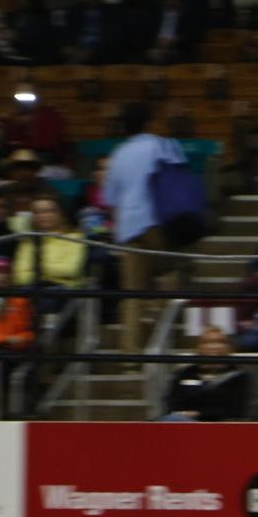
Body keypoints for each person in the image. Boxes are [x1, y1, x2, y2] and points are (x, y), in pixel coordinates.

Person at [103, 102, 190, 351]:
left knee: (133, 293)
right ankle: (166, 342)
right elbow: (181, 181)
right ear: (149, 123)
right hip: (157, 222)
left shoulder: (118, 153)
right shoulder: (163, 145)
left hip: (127, 228)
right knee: (170, 274)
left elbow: (110, 200)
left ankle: (131, 358)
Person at [161, 327, 248, 422]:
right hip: (184, 422)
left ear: (228, 348)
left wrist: (199, 413)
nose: (213, 346)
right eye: (207, 342)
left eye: (219, 342)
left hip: (221, 425)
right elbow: (172, 402)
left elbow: (237, 411)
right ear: (199, 348)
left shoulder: (238, 377)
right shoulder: (185, 373)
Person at [11, 197, 89, 289]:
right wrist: (50, 273)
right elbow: (18, 277)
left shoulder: (75, 238)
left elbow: (71, 270)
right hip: (31, 290)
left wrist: (35, 269)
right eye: (37, 212)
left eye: (48, 211)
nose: (43, 216)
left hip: (64, 291)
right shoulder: (28, 241)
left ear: (61, 213)